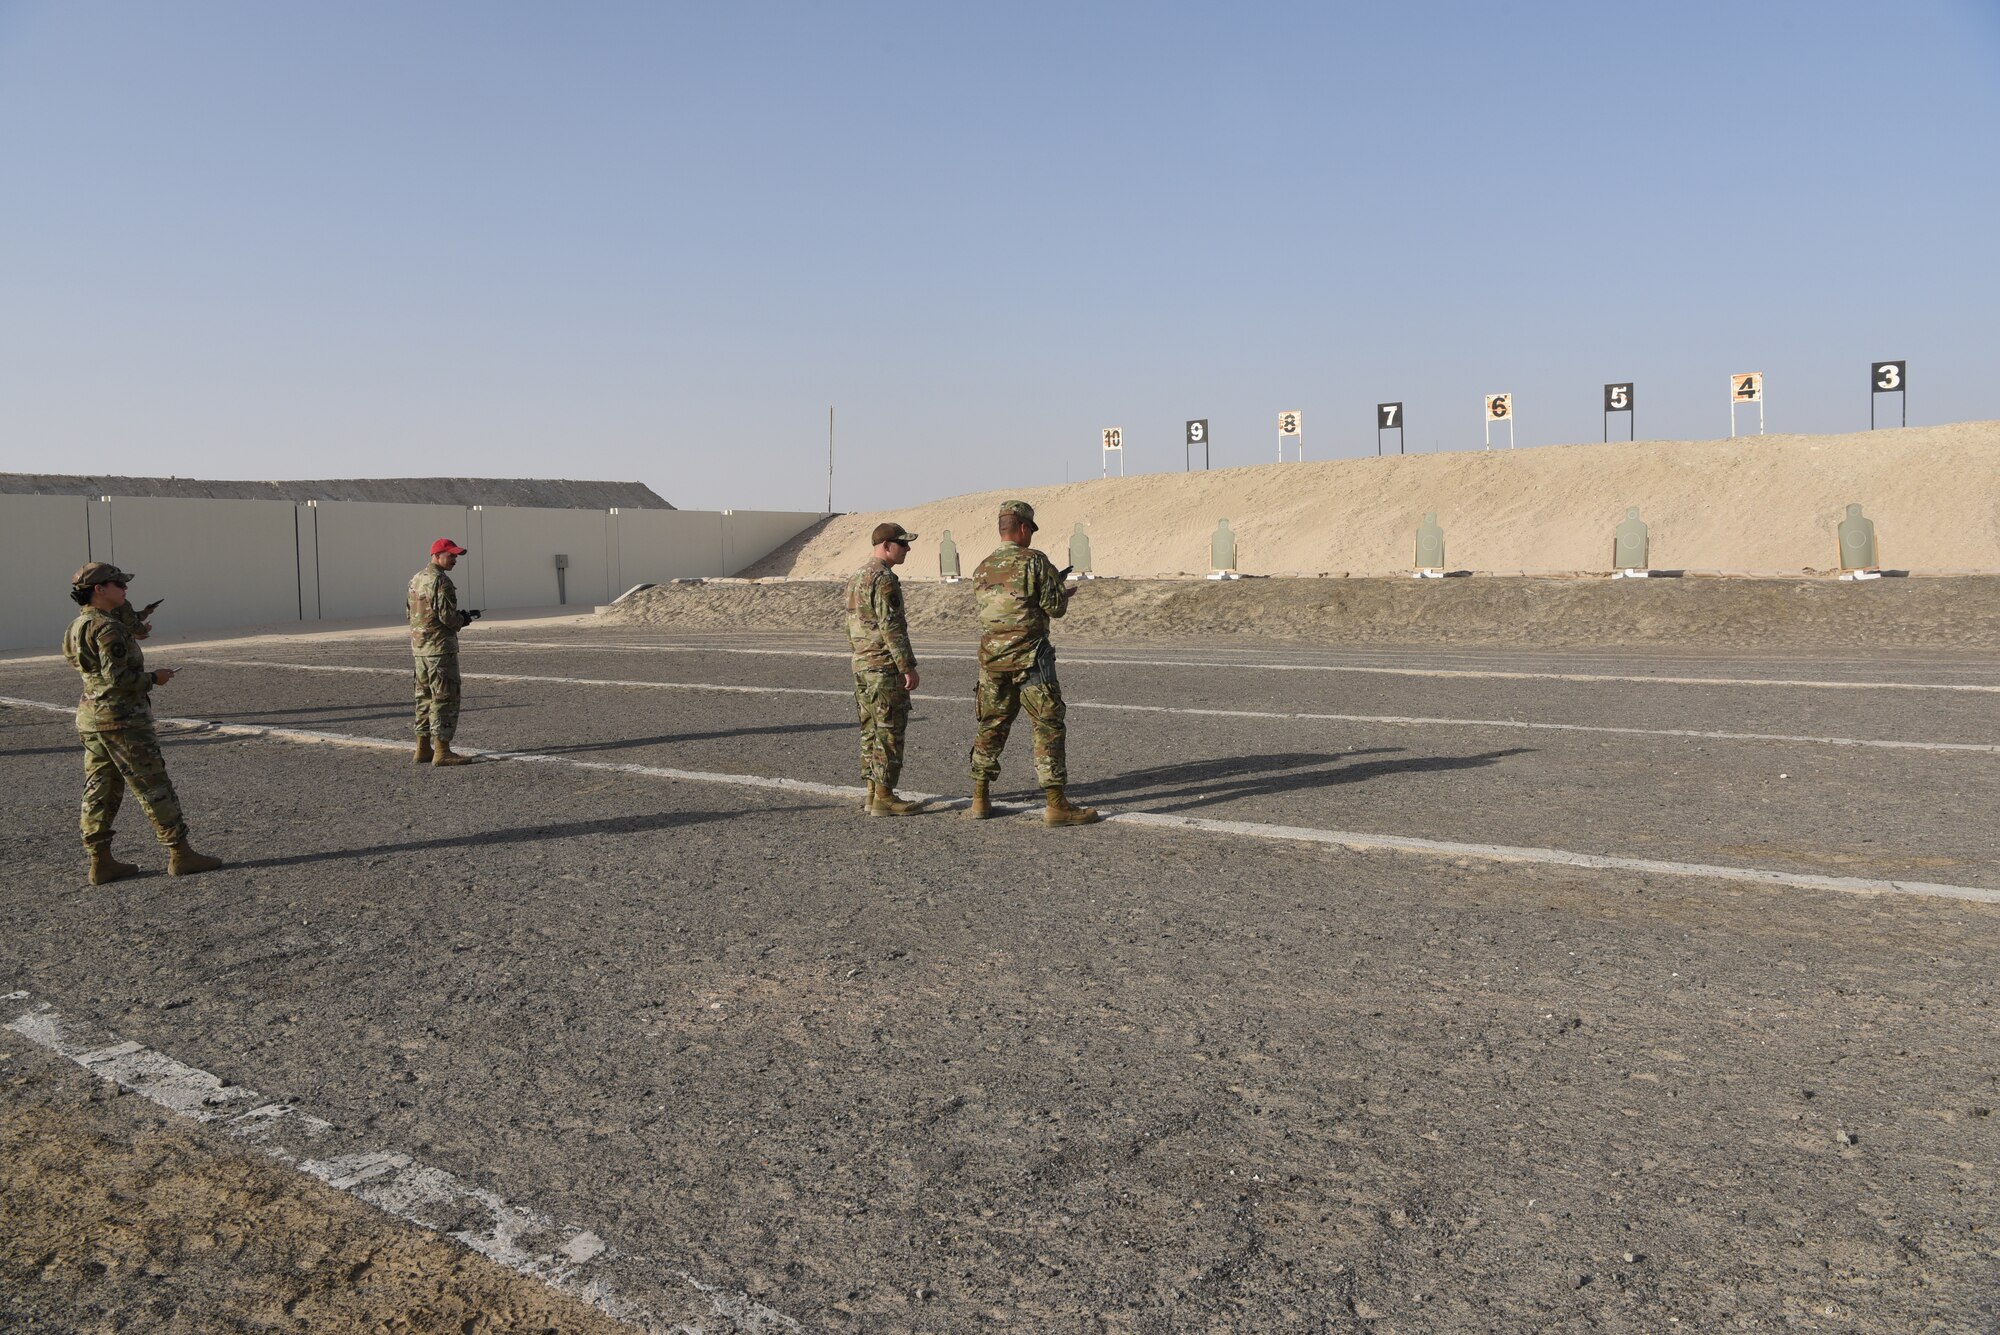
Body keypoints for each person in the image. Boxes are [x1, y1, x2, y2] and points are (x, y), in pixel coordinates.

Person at [61, 563, 224, 885]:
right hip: (122, 720)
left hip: (92, 718)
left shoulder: (77, 626)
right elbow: (118, 678)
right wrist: (154, 678)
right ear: (99, 590)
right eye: (118, 584)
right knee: (153, 786)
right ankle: (181, 853)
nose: (124, 589)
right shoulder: (107, 628)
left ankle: (100, 861)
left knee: (100, 788)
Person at [965, 500, 1099, 826]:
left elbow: (1003, 609)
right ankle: (1056, 804)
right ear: (1023, 528)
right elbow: (1054, 608)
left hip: (992, 662)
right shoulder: (1035, 561)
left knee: (990, 727)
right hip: (1031, 661)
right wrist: (1059, 594)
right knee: (1047, 726)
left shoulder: (982, 567)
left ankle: (980, 797)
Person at [846, 522, 925, 816]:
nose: (908, 549)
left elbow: (851, 626)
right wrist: (907, 666)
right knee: (890, 730)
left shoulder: (856, 578)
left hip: (862, 665)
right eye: (903, 544)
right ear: (887, 545)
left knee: (870, 731)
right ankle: (884, 796)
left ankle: (871, 793)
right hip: (883, 667)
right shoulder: (884, 579)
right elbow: (892, 627)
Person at [408, 538, 480, 766]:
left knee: (424, 698)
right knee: (444, 698)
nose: (455, 560)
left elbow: (410, 613)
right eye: (451, 556)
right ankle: (442, 751)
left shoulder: (416, 579)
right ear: (437, 555)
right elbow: (447, 618)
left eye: (456, 556)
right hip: (440, 650)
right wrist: (463, 620)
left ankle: (422, 748)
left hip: (420, 650)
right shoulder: (442, 581)